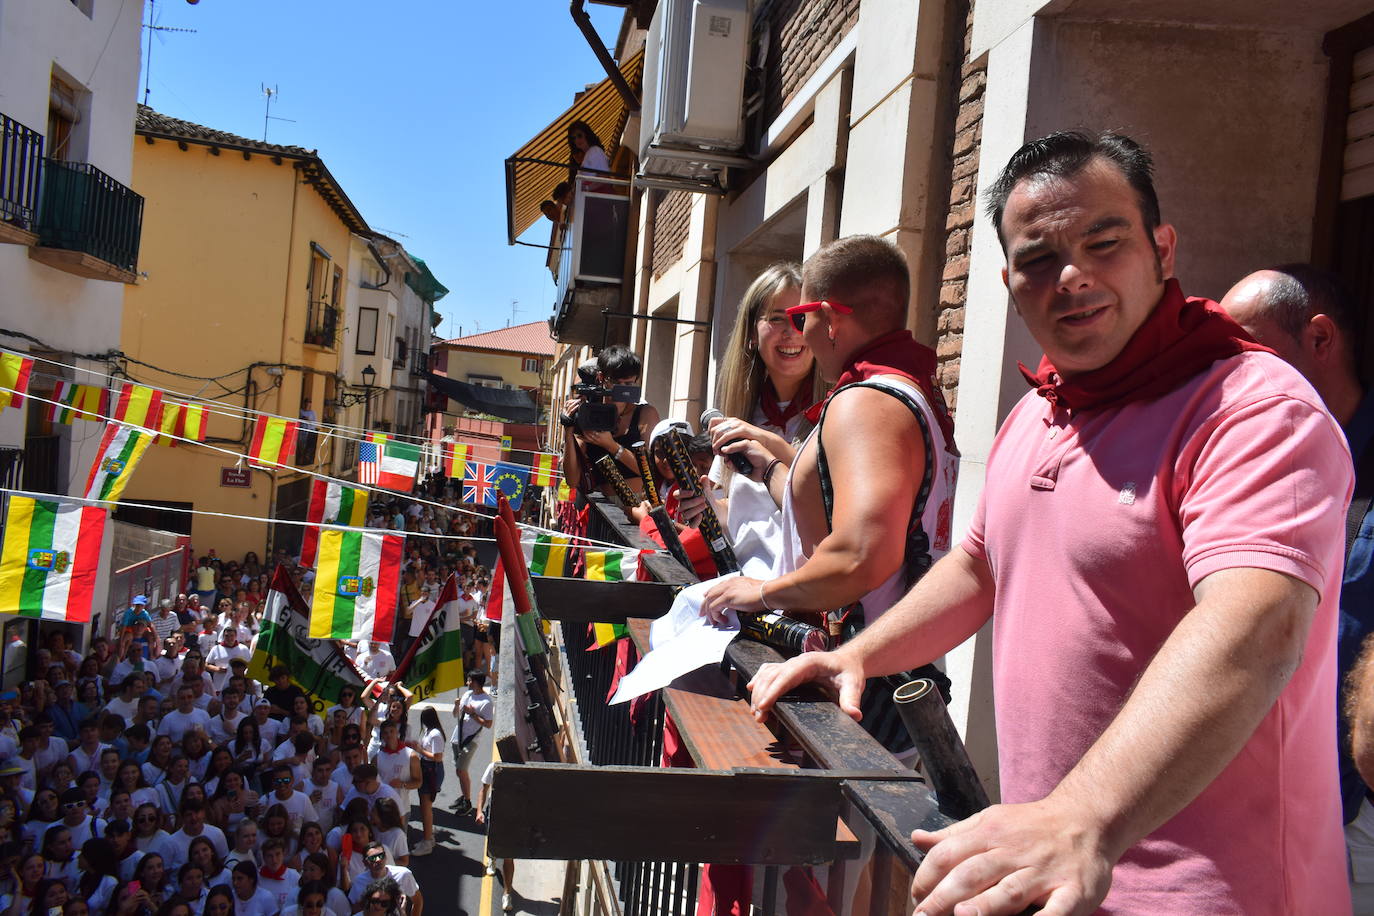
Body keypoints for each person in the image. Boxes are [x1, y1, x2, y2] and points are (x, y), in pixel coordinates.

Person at [748, 131, 1353, 914]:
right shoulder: (1039, 410)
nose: (1072, 278)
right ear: (1008, 280)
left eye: (1105, 244)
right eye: (1038, 261)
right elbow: (980, 567)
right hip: (1052, 876)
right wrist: (858, 655)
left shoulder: (1255, 408)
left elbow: (1256, 624)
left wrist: (1081, 818)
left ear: (1163, 249)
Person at [702, 234, 959, 756]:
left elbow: (862, 553)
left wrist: (762, 593)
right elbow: (834, 511)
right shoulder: (903, 387)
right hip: (891, 670)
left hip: (864, 684)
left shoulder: (866, 401)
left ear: (829, 317)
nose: (800, 331)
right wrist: (773, 467)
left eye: (801, 316)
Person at [1219, 264, 1374, 908]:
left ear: (1319, 340)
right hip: (1246, 794)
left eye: (1248, 350)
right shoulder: (1239, 458)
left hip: (1354, 808)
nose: (1230, 374)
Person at [559, 346, 661, 507]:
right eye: (615, 382)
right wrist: (569, 428)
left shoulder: (645, 414)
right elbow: (572, 480)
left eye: (627, 383)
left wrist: (611, 445)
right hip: (602, 508)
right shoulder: (589, 413)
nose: (620, 389)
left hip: (638, 505)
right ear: (601, 377)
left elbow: (649, 472)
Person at [449, 673, 492, 816]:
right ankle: (464, 795)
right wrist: (456, 706)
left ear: (476, 682)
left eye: (469, 680)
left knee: (461, 770)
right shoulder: (467, 695)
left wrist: (473, 714)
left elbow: (488, 724)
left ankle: (467, 802)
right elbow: (456, 715)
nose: (467, 682)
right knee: (459, 770)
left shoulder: (486, 702)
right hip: (458, 737)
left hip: (471, 740)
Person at [474, 762, 513, 913]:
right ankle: (492, 857)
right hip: (494, 810)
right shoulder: (493, 766)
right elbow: (484, 790)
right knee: (492, 843)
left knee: (510, 855)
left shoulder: (522, 768)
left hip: (512, 814)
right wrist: (479, 812)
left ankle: (507, 893)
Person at [345, 844, 421, 916]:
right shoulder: (359, 881)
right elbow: (353, 909)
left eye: (381, 856)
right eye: (373, 858)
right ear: (365, 863)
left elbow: (417, 901)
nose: (378, 860)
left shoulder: (403, 874)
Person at [410, 709, 444, 857]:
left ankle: (427, 841)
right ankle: (428, 837)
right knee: (425, 806)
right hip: (426, 768)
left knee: (425, 807)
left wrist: (420, 750)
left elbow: (437, 757)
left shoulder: (435, 734)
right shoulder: (429, 731)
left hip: (431, 770)